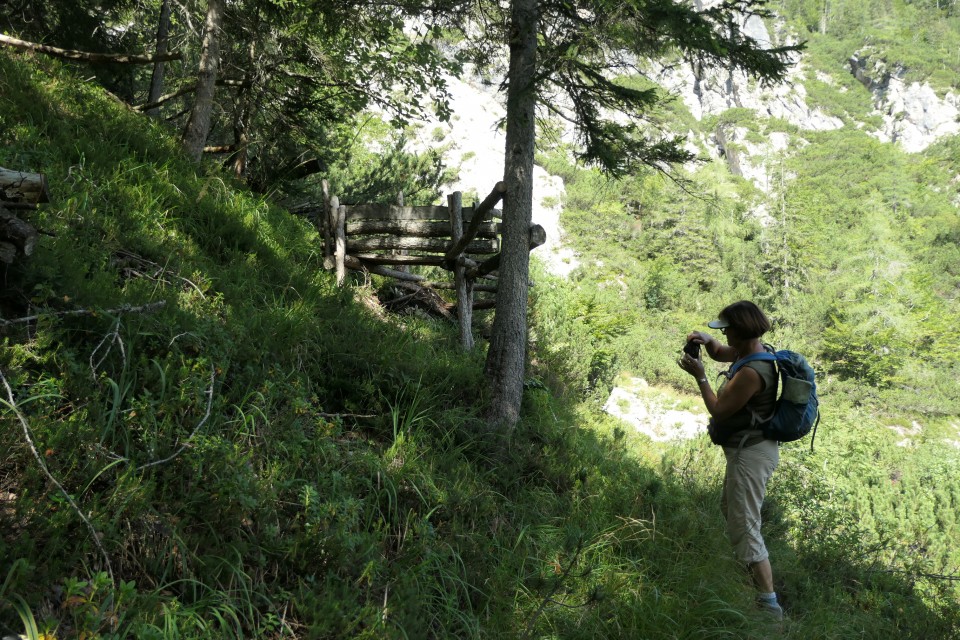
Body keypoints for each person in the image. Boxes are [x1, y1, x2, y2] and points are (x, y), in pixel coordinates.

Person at [678, 300, 784, 621]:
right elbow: (722, 353)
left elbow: (720, 409)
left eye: (726, 330)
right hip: (750, 450)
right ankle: (750, 575)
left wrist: (700, 377)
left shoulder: (753, 371)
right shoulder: (752, 350)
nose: (723, 335)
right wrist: (707, 341)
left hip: (750, 455)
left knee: (746, 526)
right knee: (732, 510)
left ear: (740, 331)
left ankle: (769, 607)